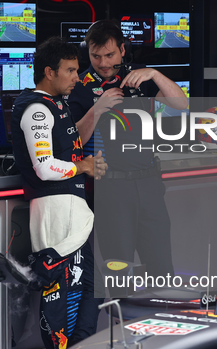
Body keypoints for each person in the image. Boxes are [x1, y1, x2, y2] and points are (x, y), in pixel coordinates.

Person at [65, 20, 188, 279]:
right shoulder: (78, 86)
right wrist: (96, 110)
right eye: (95, 56)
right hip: (110, 189)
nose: (103, 63)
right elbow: (72, 139)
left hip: (149, 184)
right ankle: (120, 319)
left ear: (122, 49)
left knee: (162, 270)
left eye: (109, 55)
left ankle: (160, 317)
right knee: (119, 273)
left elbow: (181, 104)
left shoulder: (138, 78)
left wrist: (155, 74)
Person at [11, 37, 107, 349]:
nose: (77, 77)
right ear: (49, 72)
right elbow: (45, 168)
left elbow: (67, 144)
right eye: (70, 71)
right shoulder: (36, 109)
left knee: (90, 287)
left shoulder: (57, 103)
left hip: (71, 210)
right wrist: (84, 166)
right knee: (63, 292)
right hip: (55, 213)